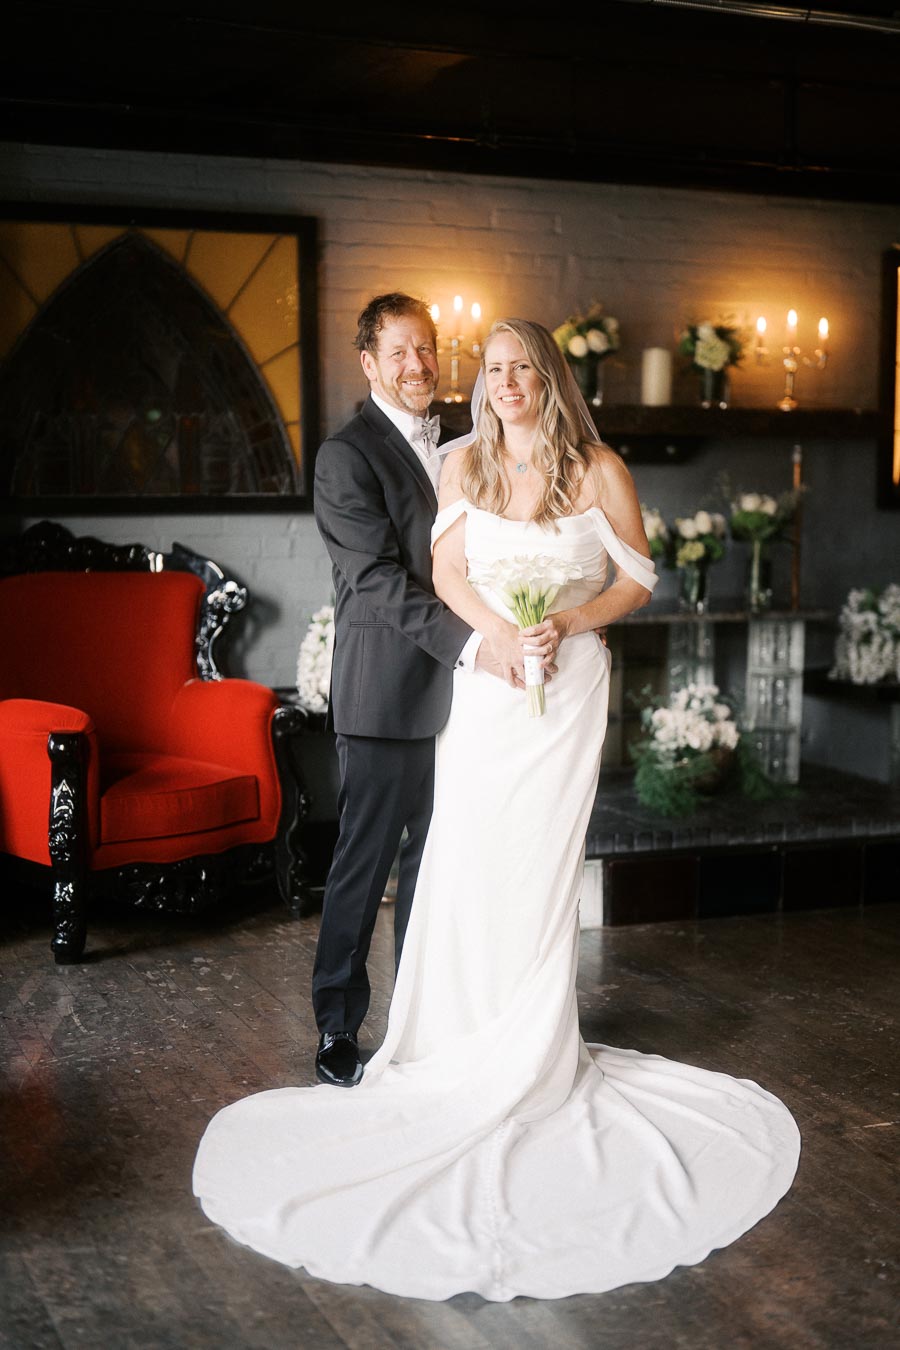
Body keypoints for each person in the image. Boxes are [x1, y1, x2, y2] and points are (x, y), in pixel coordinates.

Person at [193, 319, 800, 1302]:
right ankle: (442, 1041)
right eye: (496, 369)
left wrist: (563, 622)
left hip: (568, 694)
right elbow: (445, 573)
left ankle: (535, 1051)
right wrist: (503, 642)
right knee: (469, 864)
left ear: (550, 377)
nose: (507, 382)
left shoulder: (598, 466)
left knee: (541, 871)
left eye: (525, 368)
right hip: (488, 696)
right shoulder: (464, 462)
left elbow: (638, 575)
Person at [309, 292, 513, 1090]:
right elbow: (377, 583)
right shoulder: (345, 456)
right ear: (369, 364)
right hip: (389, 693)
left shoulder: (471, 440)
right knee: (365, 866)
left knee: (442, 863)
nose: (417, 365)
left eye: (426, 349)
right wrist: (477, 644)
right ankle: (335, 1025)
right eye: (398, 352)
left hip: (467, 705)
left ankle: (424, 1019)